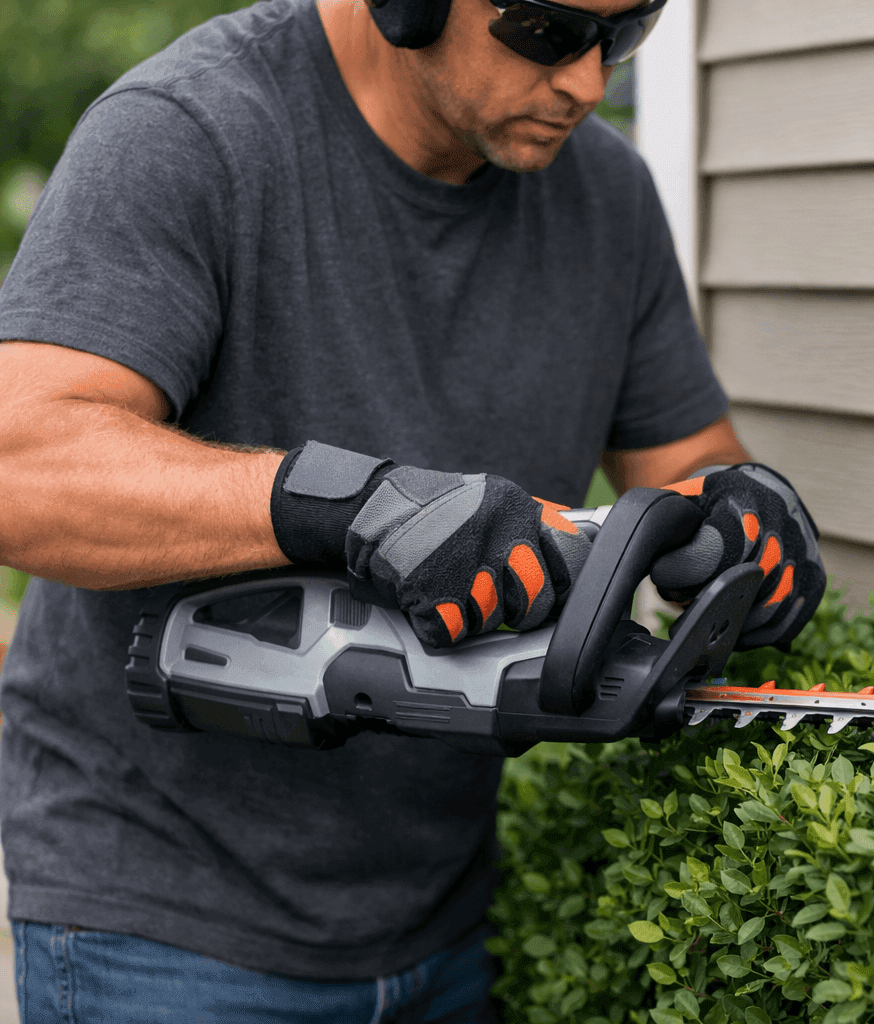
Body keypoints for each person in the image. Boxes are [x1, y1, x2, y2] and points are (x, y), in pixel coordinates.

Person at [0, 0, 825, 1017]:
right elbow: (21, 466)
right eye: (548, 31)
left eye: (626, 33)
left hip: (444, 921)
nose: (587, 81)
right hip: (165, 928)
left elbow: (688, 458)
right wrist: (345, 505)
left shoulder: (606, 195)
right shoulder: (192, 131)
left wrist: (738, 511)